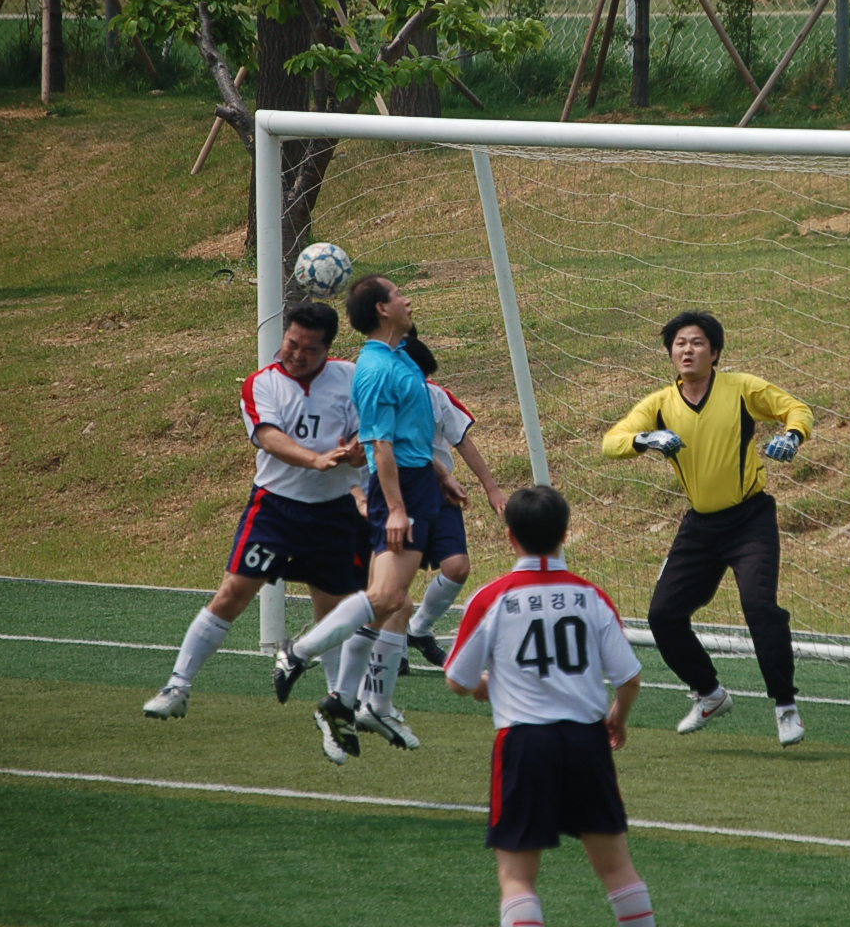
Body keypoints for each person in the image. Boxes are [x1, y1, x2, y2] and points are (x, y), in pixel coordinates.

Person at [143, 302, 367, 756]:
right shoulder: (261, 383)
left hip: (334, 512)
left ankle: (335, 711)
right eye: (291, 343)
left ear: (328, 348)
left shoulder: (352, 378)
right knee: (232, 594)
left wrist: (360, 448)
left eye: (309, 349)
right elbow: (269, 437)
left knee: (332, 612)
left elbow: (375, 427)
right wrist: (315, 459)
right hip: (276, 510)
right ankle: (177, 686)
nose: (296, 354)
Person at [273, 275, 466, 761]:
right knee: (384, 597)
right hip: (400, 491)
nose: (407, 299)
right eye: (398, 294)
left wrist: (440, 475)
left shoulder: (401, 358)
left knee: (388, 602)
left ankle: (350, 703)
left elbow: (410, 432)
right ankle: (298, 653)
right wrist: (397, 508)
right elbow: (380, 444)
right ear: (382, 308)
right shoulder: (375, 369)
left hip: (419, 482)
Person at [445, 485, 656, 927]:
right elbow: (630, 678)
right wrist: (618, 719)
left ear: (510, 536)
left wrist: (487, 684)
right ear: (565, 533)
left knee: (517, 878)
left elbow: (457, 680)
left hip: (524, 743)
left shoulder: (493, 597)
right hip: (586, 742)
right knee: (617, 869)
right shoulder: (591, 596)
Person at [602, 310, 813, 747]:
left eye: (697, 343)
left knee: (759, 606)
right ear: (670, 353)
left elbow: (796, 408)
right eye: (680, 343)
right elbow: (611, 442)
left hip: (750, 518)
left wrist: (793, 435)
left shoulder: (742, 388)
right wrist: (645, 439)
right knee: (663, 615)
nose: (688, 350)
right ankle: (710, 693)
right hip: (699, 525)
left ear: (715, 352)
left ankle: (785, 705)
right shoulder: (660, 404)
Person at [340, 326, 507, 748]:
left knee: (455, 568)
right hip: (394, 497)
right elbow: (366, 450)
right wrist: (362, 497)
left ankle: (415, 634)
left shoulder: (433, 395)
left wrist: (489, 488)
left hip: (433, 492)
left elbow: (459, 442)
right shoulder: (371, 386)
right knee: (389, 595)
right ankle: (338, 677)